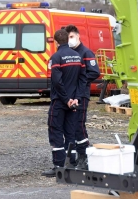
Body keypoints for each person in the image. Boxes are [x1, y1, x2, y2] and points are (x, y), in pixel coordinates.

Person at [41, 29, 86, 177]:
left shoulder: (56, 57)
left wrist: (66, 100)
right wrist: (76, 99)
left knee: (56, 132)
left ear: (55, 42)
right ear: (68, 39)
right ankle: (71, 164)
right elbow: (82, 80)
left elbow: (57, 82)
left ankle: (59, 166)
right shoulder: (78, 56)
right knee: (70, 133)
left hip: (60, 103)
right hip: (74, 102)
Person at [65, 25, 100, 169]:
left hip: (81, 95)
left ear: (78, 36)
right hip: (69, 95)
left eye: (72, 37)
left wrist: (80, 78)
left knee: (79, 125)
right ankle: (72, 157)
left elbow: (94, 72)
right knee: (70, 127)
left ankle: (84, 156)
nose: (70, 40)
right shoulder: (68, 53)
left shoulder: (86, 52)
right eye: (68, 38)